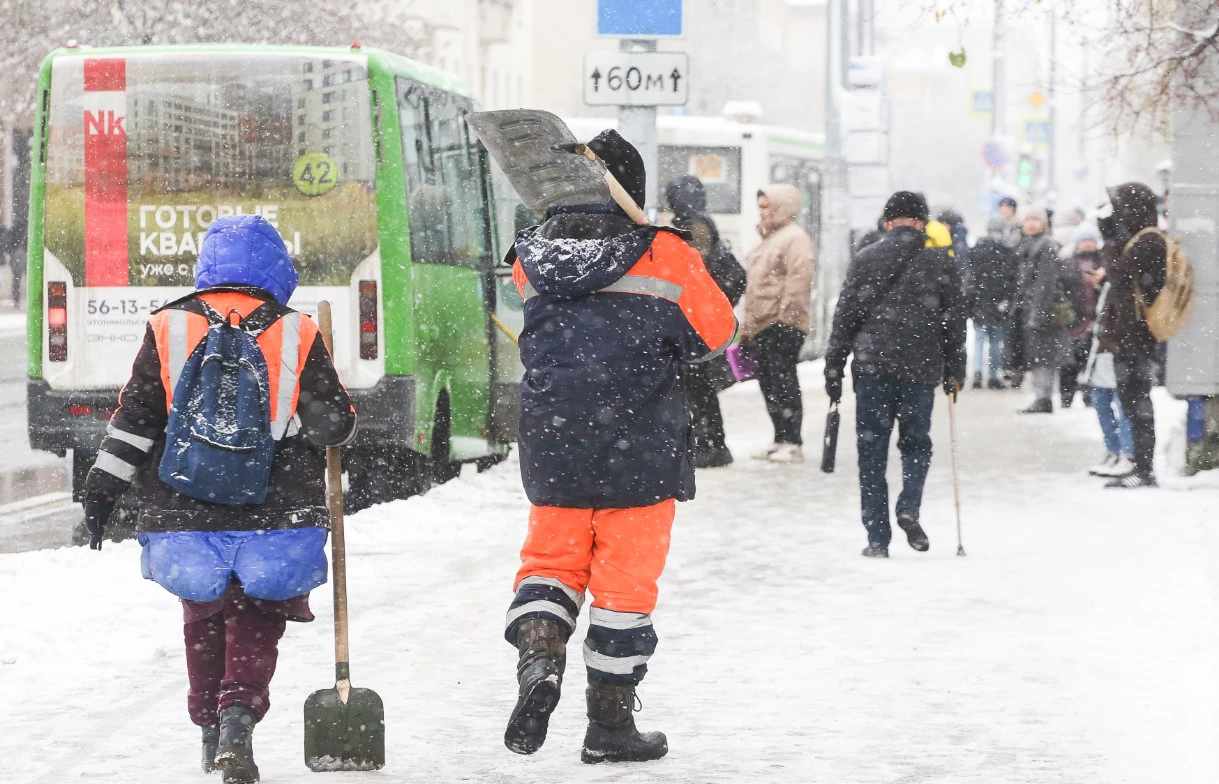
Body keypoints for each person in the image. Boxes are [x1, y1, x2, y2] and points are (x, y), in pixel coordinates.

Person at [80, 215, 357, 784]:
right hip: (277, 513)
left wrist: (102, 491)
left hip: (184, 508)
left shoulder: (167, 326)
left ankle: (210, 727)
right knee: (256, 616)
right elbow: (332, 427)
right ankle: (237, 717)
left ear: (207, 267)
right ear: (279, 269)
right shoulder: (298, 330)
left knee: (203, 615)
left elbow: (134, 421)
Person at [501, 129, 736, 763]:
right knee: (623, 590)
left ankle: (539, 662)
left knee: (551, 565)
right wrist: (676, 258)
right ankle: (608, 725)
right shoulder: (665, 255)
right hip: (641, 447)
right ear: (630, 189)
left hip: (554, 445)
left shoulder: (529, 255)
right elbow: (716, 334)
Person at [824, 191, 966, 558]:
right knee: (916, 443)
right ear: (923, 222)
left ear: (887, 221)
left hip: (873, 367)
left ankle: (877, 539)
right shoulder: (941, 263)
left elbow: (846, 316)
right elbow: (954, 324)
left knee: (871, 452)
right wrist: (955, 369)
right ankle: (909, 505)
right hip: (920, 368)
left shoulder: (865, 258)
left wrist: (834, 365)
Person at [666, 174, 747, 468]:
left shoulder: (694, 226)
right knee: (698, 387)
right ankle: (708, 444)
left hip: (695, 319)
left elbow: (695, 270)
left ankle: (709, 446)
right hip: (698, 318)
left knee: (697, 386)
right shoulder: (699, 221)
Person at [1089, 182, 1166, 488]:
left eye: (1119, 207)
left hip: (1136, 337)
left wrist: (1110, 242)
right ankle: (1137, 464)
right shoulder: (1138, 239)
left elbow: (1120, 275)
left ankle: (1144, 469)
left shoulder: (1148, 242)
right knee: (1131, 403)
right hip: (1127, 337)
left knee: (1138, 404)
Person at [740, 184, 815, 463]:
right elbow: (755, 287)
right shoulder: (767, 239)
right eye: (760, 206)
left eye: (766, 206)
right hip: (762, 324)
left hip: (781, 323)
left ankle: (792, 440)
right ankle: (779, 437)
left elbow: (798, 280)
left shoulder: (795, 239)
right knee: (770, 383)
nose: (761, 212)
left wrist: (787, 319)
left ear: (783, 206)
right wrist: (748, 327)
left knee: (784, 382)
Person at [1012, 205, 1080, 414]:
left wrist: (1037, 313)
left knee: (1044, 357)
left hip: (1043, 312)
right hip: (1031, 309)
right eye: (1028, 219)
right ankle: (1041, 396)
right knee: (1036, 355)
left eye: (1036, 219)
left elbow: (1045, 282)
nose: (1031, 224)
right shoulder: (1027, 245)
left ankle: (1044, 397)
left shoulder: (1046, 246)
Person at [1058, 223, 1104, 407]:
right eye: (1084, 240)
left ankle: (1088, 396)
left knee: (1089, 363)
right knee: (1068, 363)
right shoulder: (1068, 263)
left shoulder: (1102, 264)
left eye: (1091, 240)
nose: (1087, 244)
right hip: (1073, 319)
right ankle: (1066, 397)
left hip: (1094, 319)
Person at [964, 236, 1018, 389]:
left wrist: (969, 305)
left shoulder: (975, 257)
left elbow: (969, 284)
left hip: (979, 306)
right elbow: (1010, 284)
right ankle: (994, 375)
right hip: (997, 307)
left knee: (978, 340)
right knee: (995, 342)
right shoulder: (1004, 257)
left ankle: (977, 372)